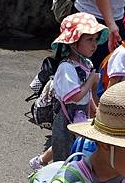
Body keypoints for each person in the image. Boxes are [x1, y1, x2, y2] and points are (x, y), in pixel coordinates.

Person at [30, 12, 107, 167]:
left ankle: (40, 161)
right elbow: (75, 96)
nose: (94, 45)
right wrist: (91, 80)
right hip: (65, 116)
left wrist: (94, 109)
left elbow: (86, 96)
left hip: (81, 113)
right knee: (64, 152)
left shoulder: (86, 64)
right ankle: (56, 182)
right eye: (89, 40)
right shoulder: (67, 68)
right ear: (73, 43)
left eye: (95, 39)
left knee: (73, 146)